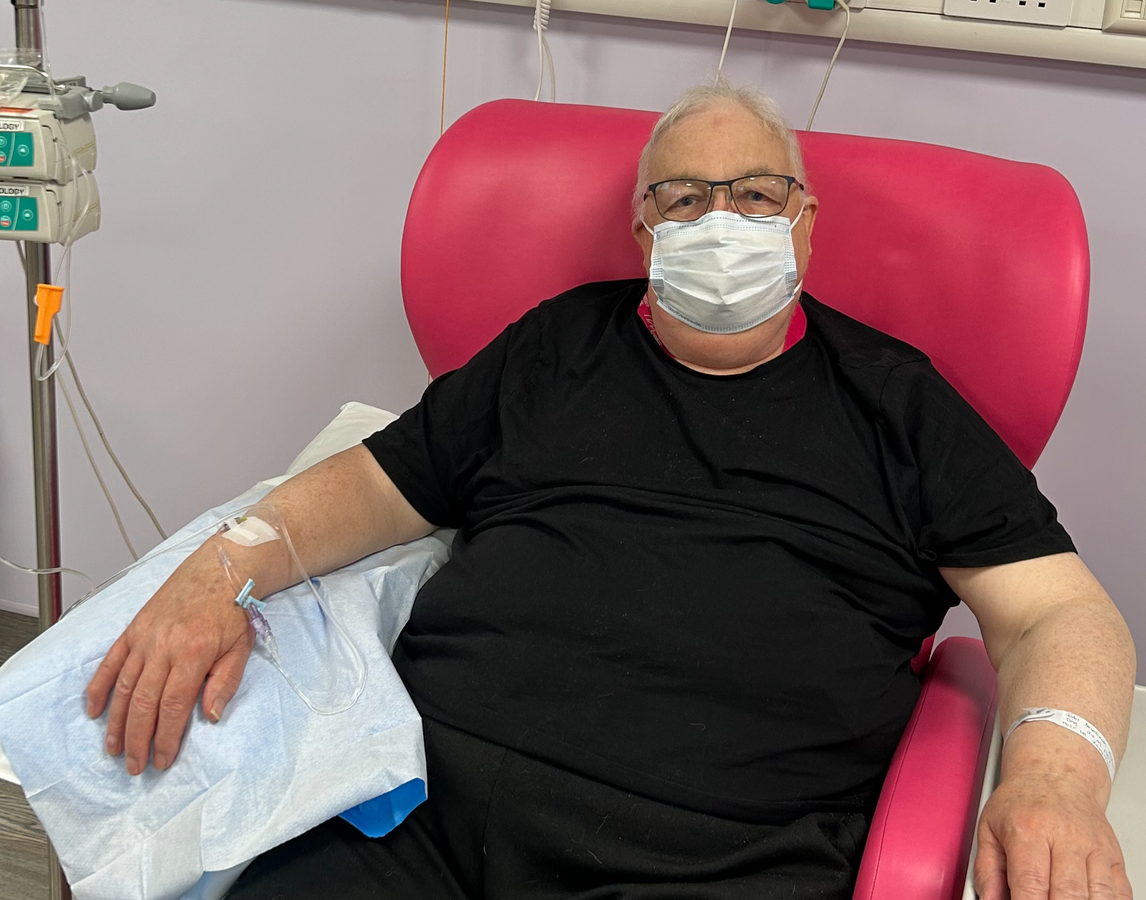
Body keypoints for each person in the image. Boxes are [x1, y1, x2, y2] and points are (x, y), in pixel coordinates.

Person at [85, 80, 1136, 900]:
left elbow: (1057, 610)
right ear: (645, 231)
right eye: (684, 197)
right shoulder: (557, 347)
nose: (720, 219)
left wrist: (1055, 779)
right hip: (417, 814)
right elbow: (376, 484)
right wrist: (226, 564)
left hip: (714, 856)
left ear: (806, 221)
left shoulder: (899, 404)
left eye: (756, 194)